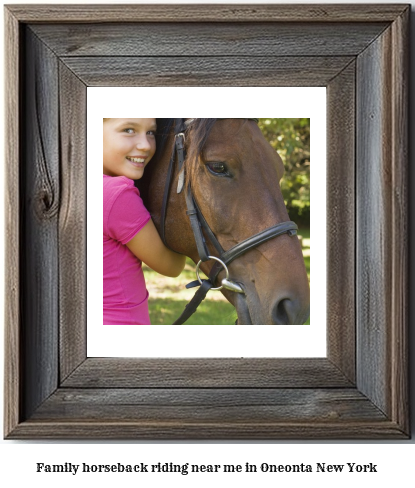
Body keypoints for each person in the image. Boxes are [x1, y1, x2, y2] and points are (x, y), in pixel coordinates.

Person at [103, 118, 185, 325]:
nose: (146, 145)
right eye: (128, 130)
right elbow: (172, 266)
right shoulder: (116, 195)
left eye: (151, 133)